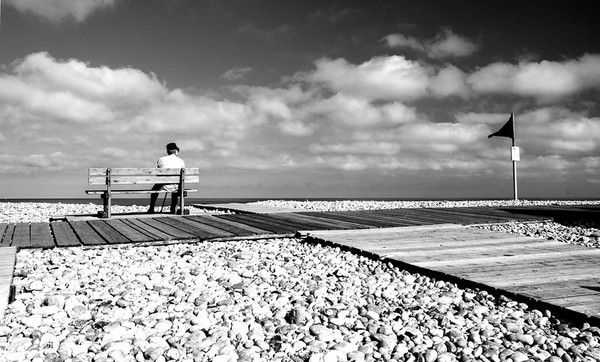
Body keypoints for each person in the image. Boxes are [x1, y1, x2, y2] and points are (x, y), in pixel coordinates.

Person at [148, 142, 185, 214]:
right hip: (176, 187)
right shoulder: (181, 161)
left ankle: (151, 208)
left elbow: (158, 175)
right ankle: (173, 208)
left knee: (154, 189)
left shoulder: (161, 160)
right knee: (177, 185)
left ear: (167, 151)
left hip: (163, 185)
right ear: (175, 150)